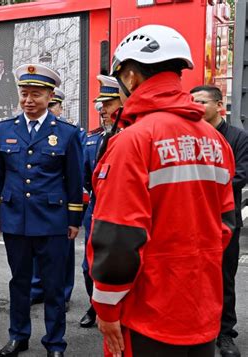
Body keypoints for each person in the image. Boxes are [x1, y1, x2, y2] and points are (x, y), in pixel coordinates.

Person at [87, 25, 236, 357]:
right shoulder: (215, 140)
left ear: (130, 76)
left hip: (147, 315)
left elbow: (118, 237)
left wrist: (107, 308)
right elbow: (226, 225)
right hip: (201, 310)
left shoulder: (133, 141)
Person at [0, 63, 83, 357]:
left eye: (36, 95)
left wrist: (74, 219)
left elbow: (74, 178)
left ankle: (55, 342)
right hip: (15, 219)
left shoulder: (66, 133)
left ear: (50, 96)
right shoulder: (5, 129)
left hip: (52, 221)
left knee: (53, 287)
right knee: (19, 283)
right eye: (24, 94)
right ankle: (19, 335)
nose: (29, 100)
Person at [190, 85, 248, 357]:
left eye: (201, 101)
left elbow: (240, 175)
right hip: (191, 219)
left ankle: (225, 333)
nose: (195, 105)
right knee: (191, 276)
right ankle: (194, 327)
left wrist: (200, 189)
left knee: (224, 277)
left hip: (224, 220)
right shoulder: (188, 136)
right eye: (191, 100)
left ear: (218, 106)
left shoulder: (238, 138)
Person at [30, 87, 78, 312]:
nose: (49, 110)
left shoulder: (70, 132)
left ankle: (64, 293)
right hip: (38, 204)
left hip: (59, 205)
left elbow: (74, 175)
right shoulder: (33, 131)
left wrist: (73, 213)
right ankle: (38, 288)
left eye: (53, 106)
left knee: (63, 256)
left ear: (59, 107)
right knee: (37, 254)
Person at [80, 74, 121, 329]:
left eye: (108, 103)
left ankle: (119, 311)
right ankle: (94, 306)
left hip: (122, 211)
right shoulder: (93, 139)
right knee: (89, 266)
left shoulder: (133, 136)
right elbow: (86, 177)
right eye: (101, 104)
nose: (102, 110)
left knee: (119, 264)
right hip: (96, 209)